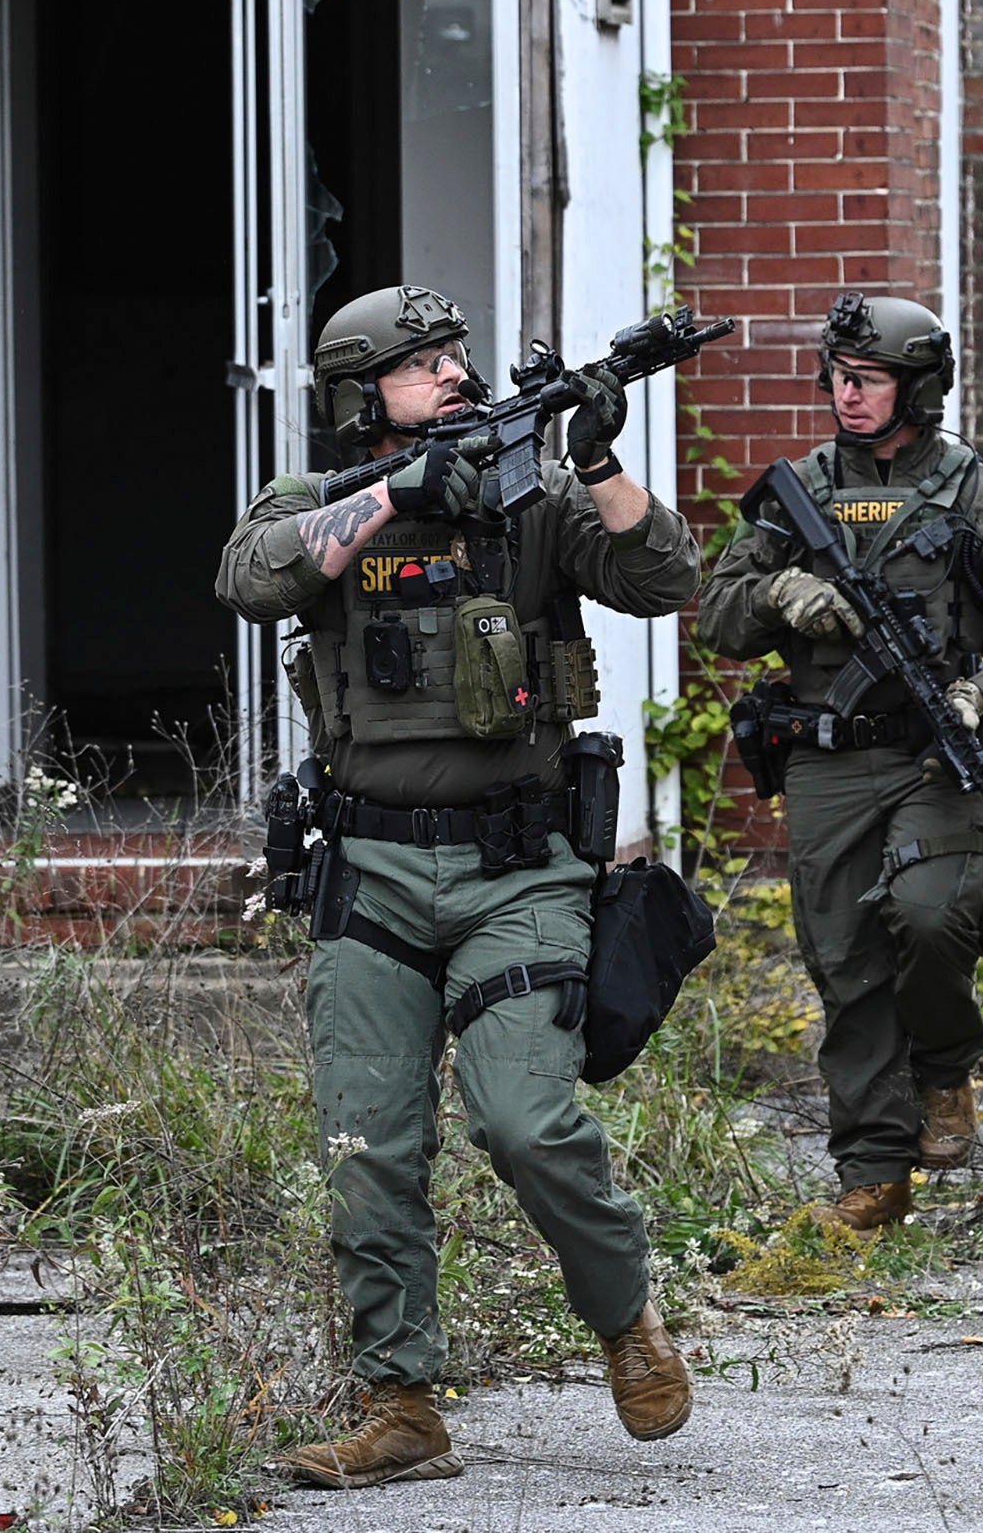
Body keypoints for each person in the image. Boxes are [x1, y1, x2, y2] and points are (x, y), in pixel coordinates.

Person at [215, 284, 700, 1487]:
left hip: (515, 870)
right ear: (359, 395)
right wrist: (396, 497)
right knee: (367, 1144)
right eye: (422, 362)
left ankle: (626, 1315)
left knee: (525, 1121)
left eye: (457, 354)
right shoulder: (321, 503)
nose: (454, 373)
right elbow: (251, 574)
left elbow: (665, 577)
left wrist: (595, 460)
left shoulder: (531, 498)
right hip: (370, 870)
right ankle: (401, 1402)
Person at [695, 292, 983, 1232]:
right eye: (838, 376)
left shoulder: (977, 498)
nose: (847, 394)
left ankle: (946, 1067)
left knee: (926, 914)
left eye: (867, 379)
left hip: (935, 758)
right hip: (829, 759)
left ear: (919, 389)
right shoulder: (798, 491)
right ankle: (872, 1176)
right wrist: (783, 591)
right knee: (844, 961)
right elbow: (717, 610)